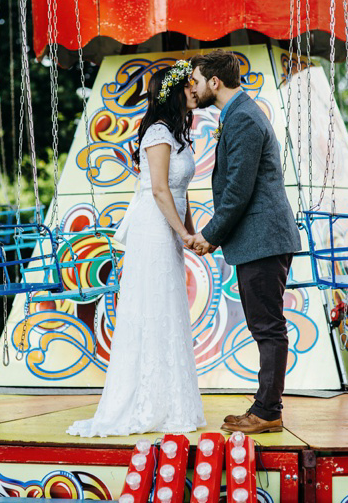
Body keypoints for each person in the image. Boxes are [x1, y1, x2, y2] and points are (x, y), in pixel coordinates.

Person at [68, 62, 205, 437]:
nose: (195, 90)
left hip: (170, 227)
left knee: (169, 306)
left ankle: (168, 400)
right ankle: (143, 402)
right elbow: (160, 190)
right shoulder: (158, 132)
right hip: (154, 227)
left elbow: (181, 191)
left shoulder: (178, 133)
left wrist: (193, 236)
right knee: (153, 305)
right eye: (190, 85)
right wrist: (182, 232)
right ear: (175, 92)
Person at [188, 50, 302, 435]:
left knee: (268, 327)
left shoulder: (245, 119)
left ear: (214, 82)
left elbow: (238, 189)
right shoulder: (238, 114)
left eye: (197, 80)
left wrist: (209, 235)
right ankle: (264, 406)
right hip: (259, 239)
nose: (195, 87)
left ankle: (268, 410)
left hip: (263, 238)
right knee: (264, 325)